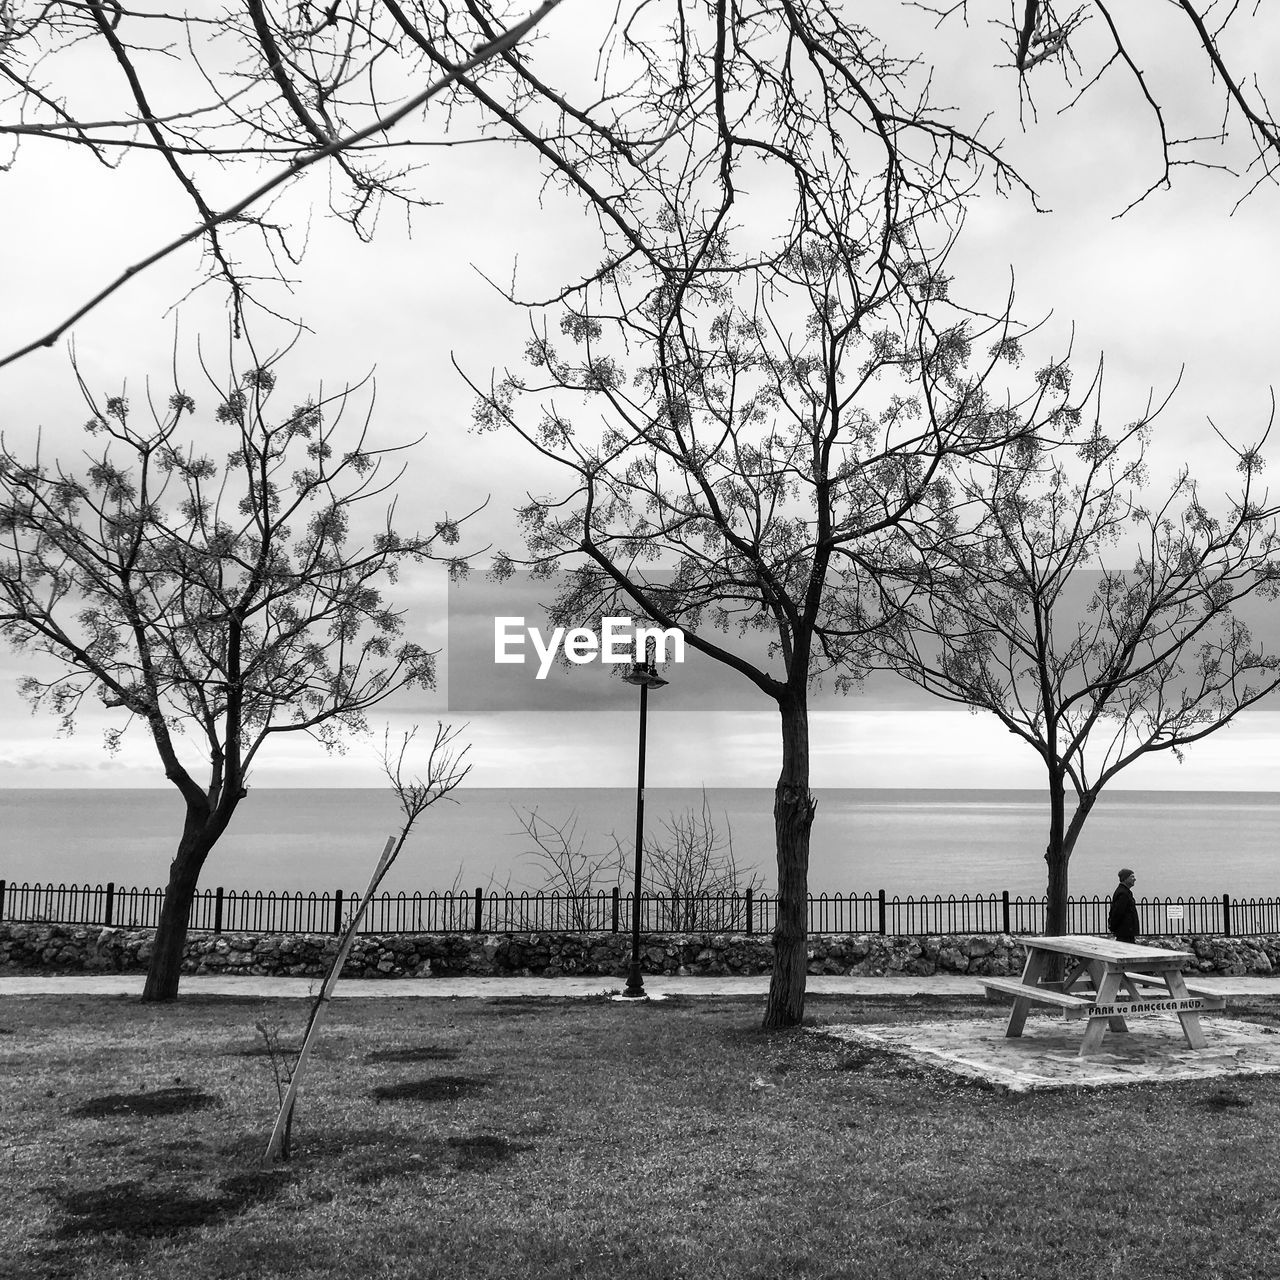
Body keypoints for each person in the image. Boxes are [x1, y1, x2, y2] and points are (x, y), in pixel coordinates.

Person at [1108, 868, 1140, 944]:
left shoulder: (1124, 892)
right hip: (1125, 932)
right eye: (1132, 877)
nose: (1134, 879)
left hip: (1127, 931)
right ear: (1125, 879)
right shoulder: (1123, 893)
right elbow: (1118, 912)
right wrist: (1113, 926)